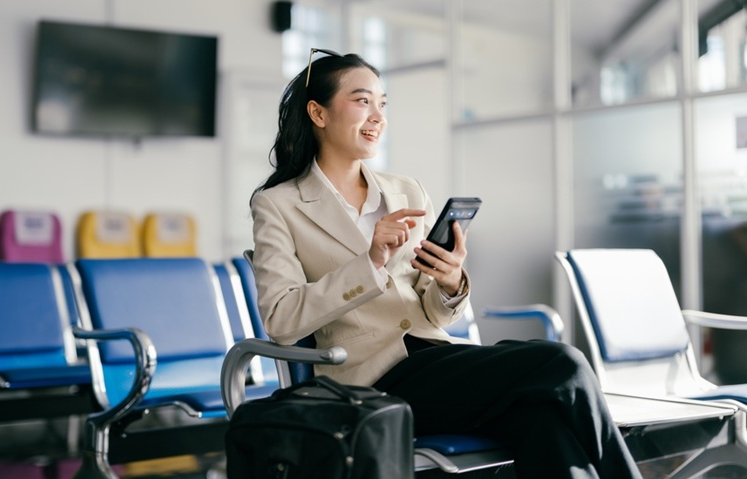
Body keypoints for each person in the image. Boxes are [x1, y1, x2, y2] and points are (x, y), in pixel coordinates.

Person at [249, 48, 641, 479]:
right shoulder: (278, 205)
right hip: (370, 383)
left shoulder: (407, 191)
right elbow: (281, 319)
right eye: (363, 101)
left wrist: (451, 281)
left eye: (382, 103)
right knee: (561, 363)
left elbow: (437, 314)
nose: (378, 115)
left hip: (437, 364)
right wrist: (371, 262)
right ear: (318, 113)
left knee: (544, 425)